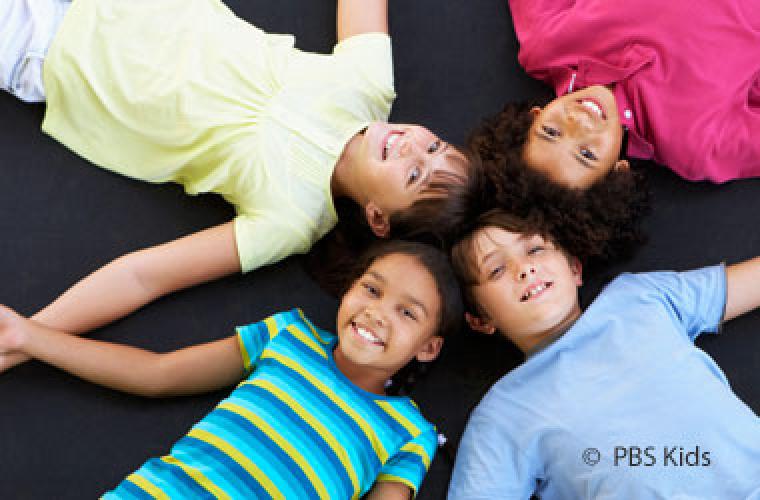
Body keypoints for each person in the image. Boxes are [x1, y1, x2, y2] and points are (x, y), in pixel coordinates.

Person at [0, 0, 473, 373]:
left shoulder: (292, 218)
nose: (414, 148)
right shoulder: (368, 86)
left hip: (46, 50)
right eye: (434, 146)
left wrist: (25, 339)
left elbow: (143, 276)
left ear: (378, 217)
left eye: (414, 176)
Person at [0, 240, 464, 499]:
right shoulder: (289, 337)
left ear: (429, 347)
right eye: (371, 290)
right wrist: (30, 337)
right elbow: (159, 374)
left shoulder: (408, 432)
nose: (378, 313)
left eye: (409, 313)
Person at [446, 209, 760, 499]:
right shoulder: (502, 415)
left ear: (574, 268)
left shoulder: (640, 298)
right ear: (481, 319)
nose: (524, 269)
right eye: (497, 269)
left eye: (535, 249)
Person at [473, 0, 760, 189]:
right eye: (586, 153)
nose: (579, 124)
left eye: (550, 131)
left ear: (533, 117)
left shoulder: (545, 46)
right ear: (616, 172)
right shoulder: (695, 145)